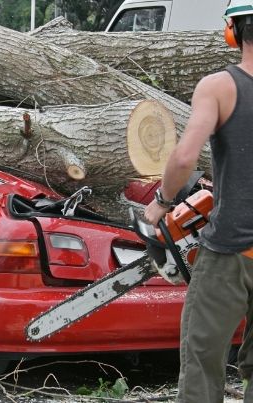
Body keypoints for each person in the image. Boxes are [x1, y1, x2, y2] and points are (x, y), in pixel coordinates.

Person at [144, 1, 253, 401]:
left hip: (232, 251)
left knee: (203, 361)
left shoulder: (220, 87)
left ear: (233, 30)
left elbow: (186, 156)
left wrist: (162, 200)